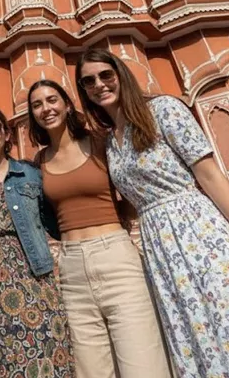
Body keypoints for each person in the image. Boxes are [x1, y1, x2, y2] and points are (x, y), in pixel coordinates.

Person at [76, 48, 229, 377]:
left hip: (201, 232)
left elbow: (210, 176)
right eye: (88, 81)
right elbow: (134, 202)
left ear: (120, 75)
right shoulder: (110, 143)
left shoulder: (162, 110)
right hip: (160, 248)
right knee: (197, 333)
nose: (99, 85)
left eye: (106, 75)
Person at [27, 80, 171, 378]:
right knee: (91, 369)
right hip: (71, 266)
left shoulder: (100, 142)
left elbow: (131, 190)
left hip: (115, 257)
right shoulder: (40, 161)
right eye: (37, 105)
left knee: (143, 363)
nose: (46, 109)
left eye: (52, 100)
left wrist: (120, 225)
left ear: (68, 105)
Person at [0, 105, 74, 378]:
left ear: (6, 133)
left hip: (33, 279)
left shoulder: (31, 174)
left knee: (44, 355)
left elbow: (57, 220)